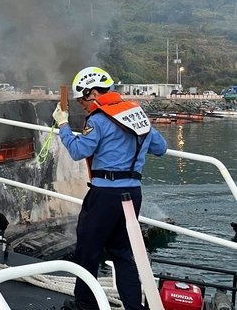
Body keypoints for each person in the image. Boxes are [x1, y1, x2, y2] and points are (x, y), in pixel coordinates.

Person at [52, 66, 167, 310]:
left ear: (93, 93)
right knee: (123, 253)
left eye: (82, 98)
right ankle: (134, 307)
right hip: (132, 194)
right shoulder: (137, 113)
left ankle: (85, 305)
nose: (82, 104)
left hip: (104, 196)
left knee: (88, 251)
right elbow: (161, 148)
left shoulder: (98, 119)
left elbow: (78, 151)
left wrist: (62, 125)